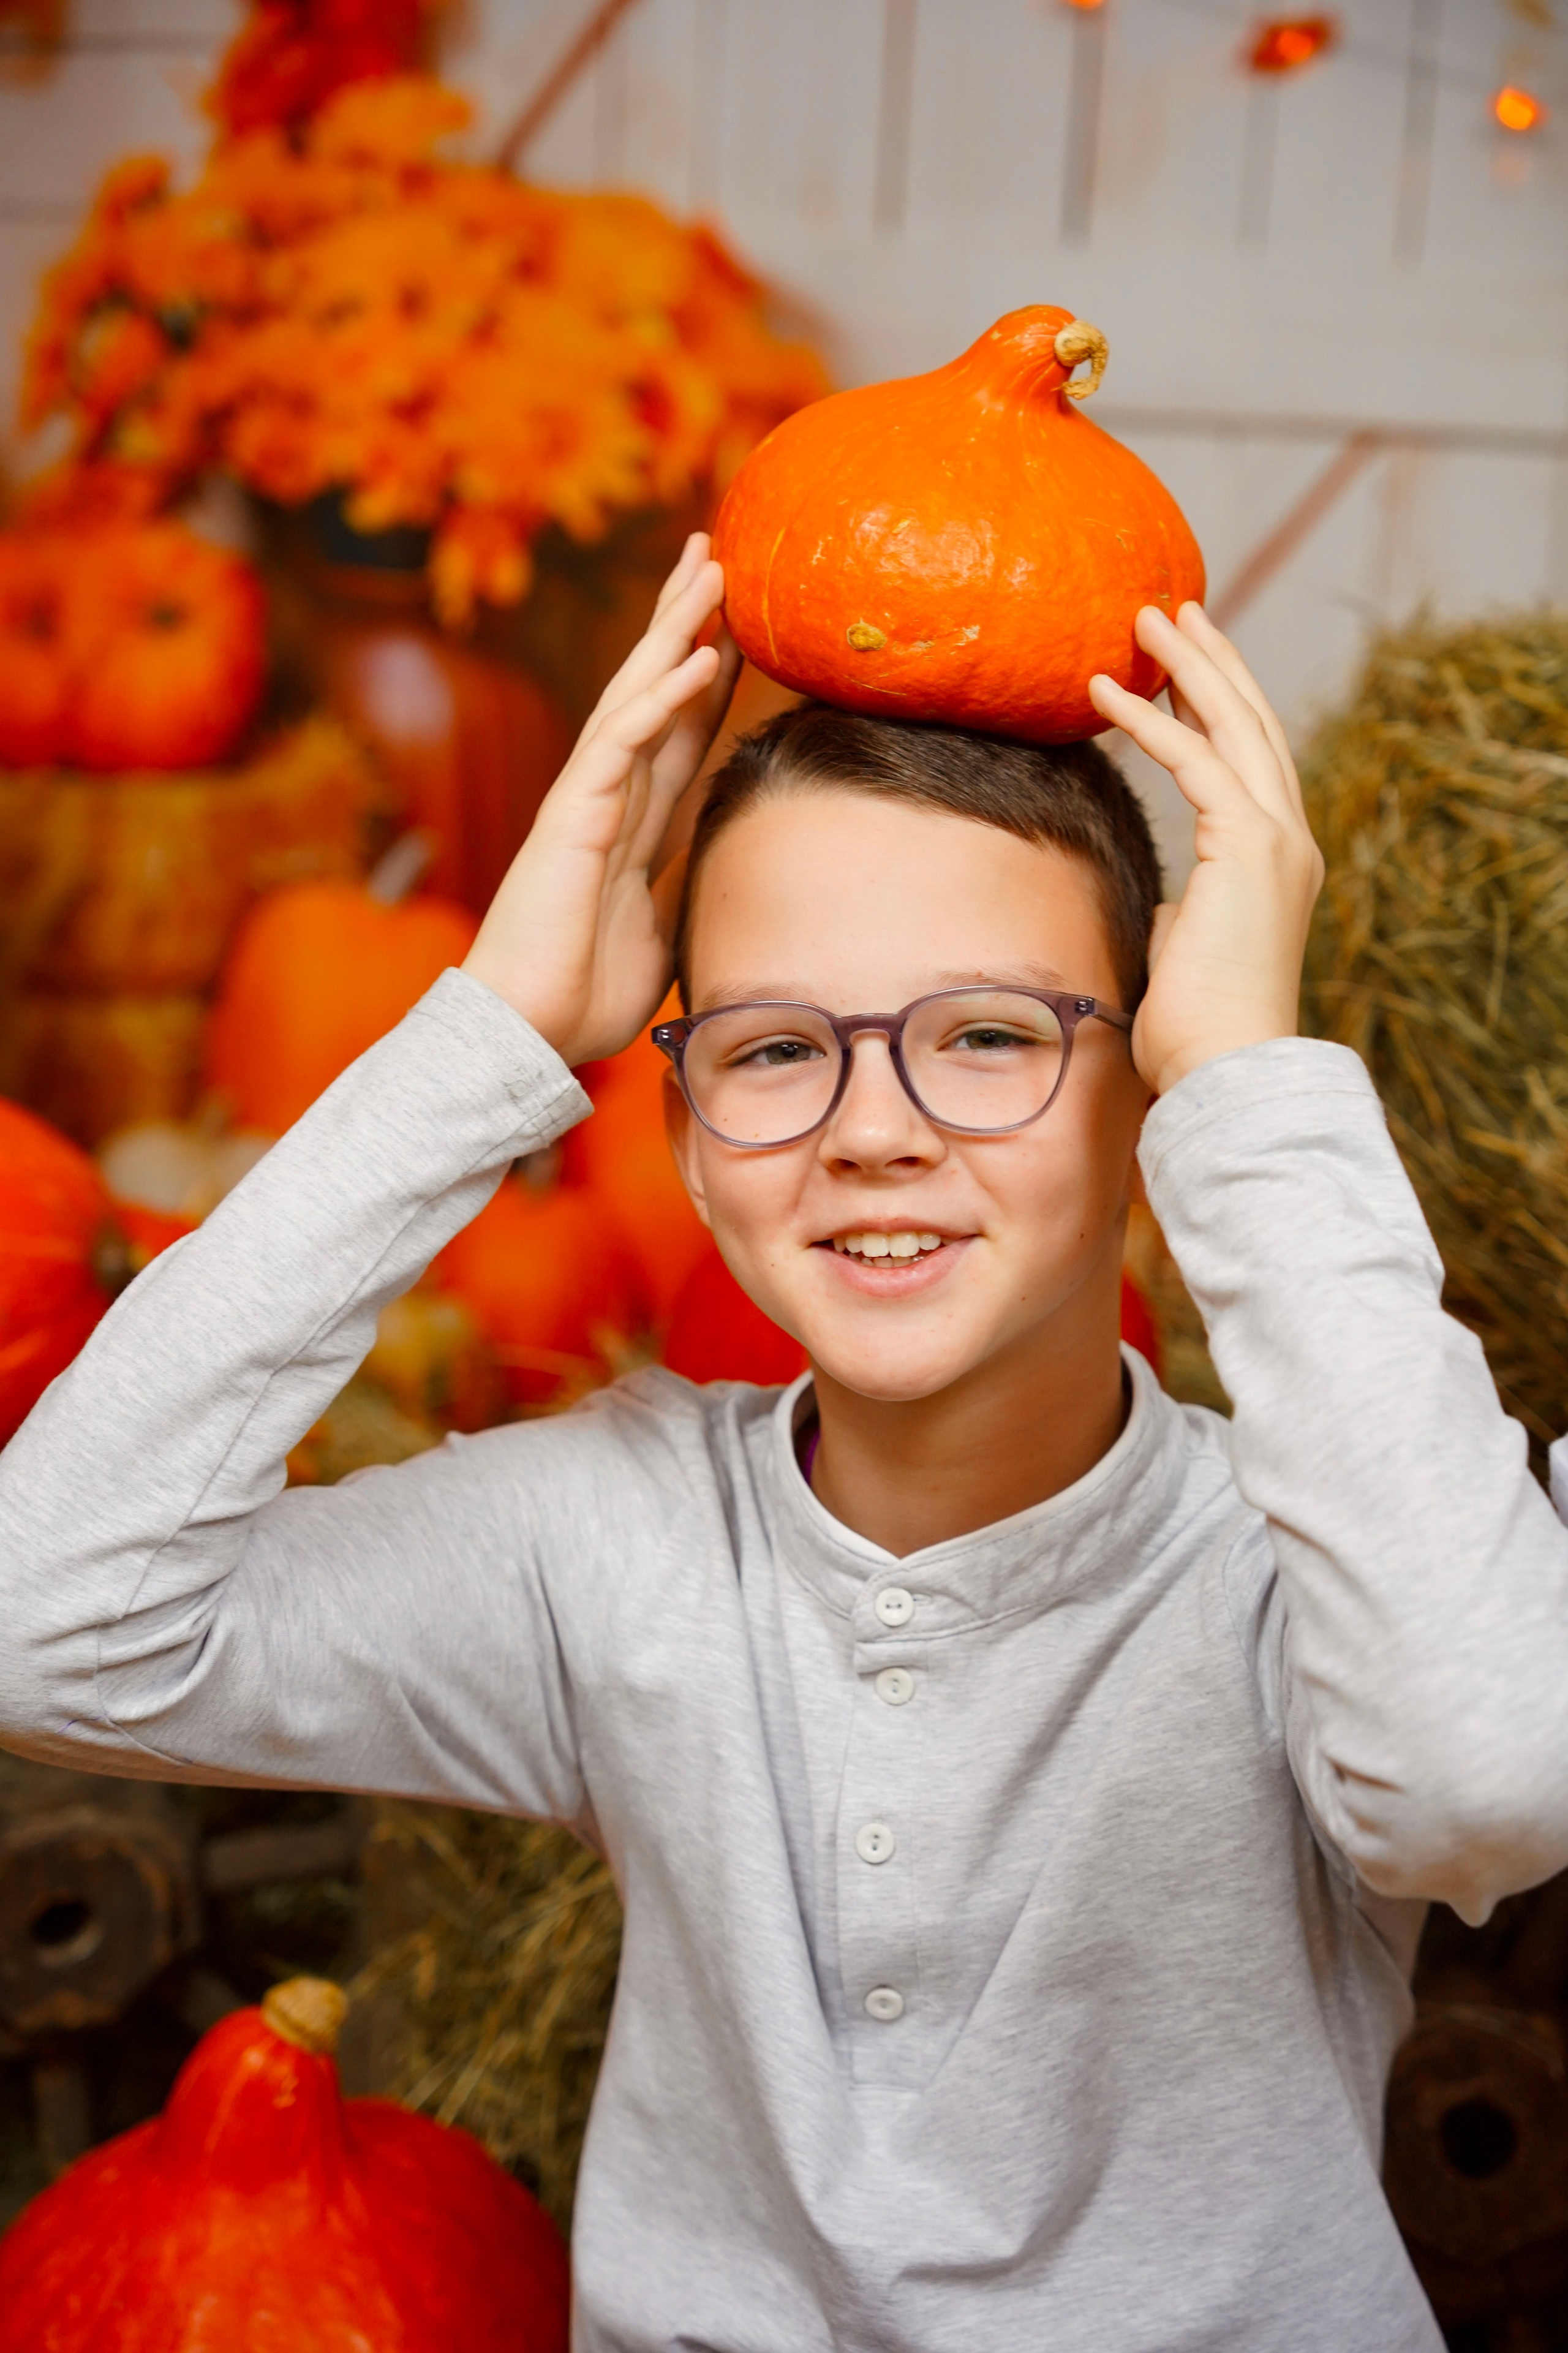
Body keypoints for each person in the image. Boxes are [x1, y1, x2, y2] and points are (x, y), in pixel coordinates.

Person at [2, 534, 1567, 2353]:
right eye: (772, 1050)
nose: (872, 1129)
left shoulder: (1301, 1567)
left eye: (991, 1035)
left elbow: (1495, 1778)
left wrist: (1252, 1086)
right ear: (677, 1133)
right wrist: (488, 1038)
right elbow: (51, 1621)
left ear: (1147, 1094)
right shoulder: (615, 1540)